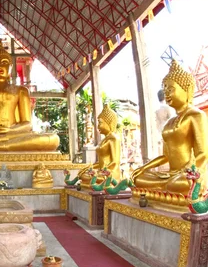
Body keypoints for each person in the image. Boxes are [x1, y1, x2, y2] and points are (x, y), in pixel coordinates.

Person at [131, 60, 208, 197]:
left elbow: (203, 153)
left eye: (171, 89)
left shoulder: (196, 115)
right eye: (164, 88)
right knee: (138, 179)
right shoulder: (169, 122)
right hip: (171, 175)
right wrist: (144, 167)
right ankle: (166, 190)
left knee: (179, 185)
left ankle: (175, 191)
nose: (166, 93)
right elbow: (165, 156)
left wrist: (191, 172)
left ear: (188, 89)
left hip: (187, 175)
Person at [77, 104, 121, 188]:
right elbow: (100, 162)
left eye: (100, 123)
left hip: (110, 173)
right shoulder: (104, 140)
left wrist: (103, 172)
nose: (98, 126)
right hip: (101, 171)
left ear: (109, 123)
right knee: (83, 174)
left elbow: (115, 163)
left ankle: (106, 182)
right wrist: (90, 167)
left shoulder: (114, 139)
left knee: (92, 177)